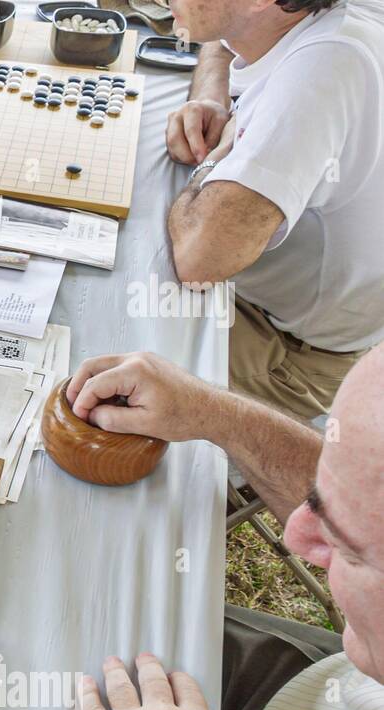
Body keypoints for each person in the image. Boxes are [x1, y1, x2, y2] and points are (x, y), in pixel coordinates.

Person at [67, 347, 383, 710]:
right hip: (306, 690)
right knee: (78, 608)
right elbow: (366, 493)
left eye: (347, 549)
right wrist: (215, 413)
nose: (296, 537)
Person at [163, 0, 384, 421]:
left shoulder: (324, 69)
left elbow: (198, 257)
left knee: (87, 358)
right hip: (264, 300)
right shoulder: (294, 17)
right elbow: (225, 34)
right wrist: (213, 96)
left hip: (289, 357)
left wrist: (222, 154)